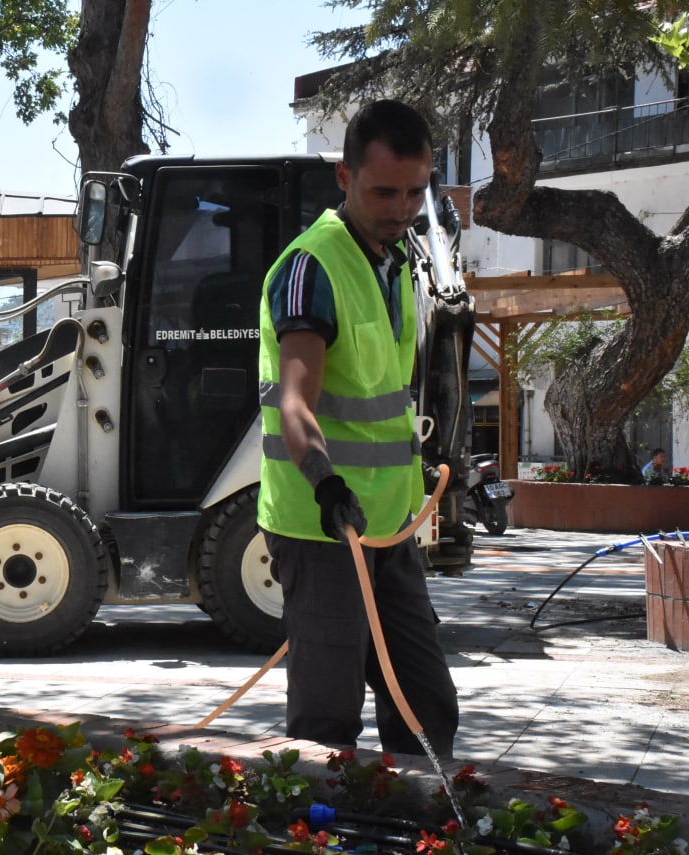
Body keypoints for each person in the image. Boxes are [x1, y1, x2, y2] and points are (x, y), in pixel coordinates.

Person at [256, 99, 459, 756]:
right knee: (327, 721)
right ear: (344, 179)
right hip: (322, 526)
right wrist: (323, 482)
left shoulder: (396, 262)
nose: (402, 208)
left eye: (415, 191)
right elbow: (295, 400)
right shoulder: (311, 268)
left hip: (386, 526)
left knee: (425, 706)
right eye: (383, 192)